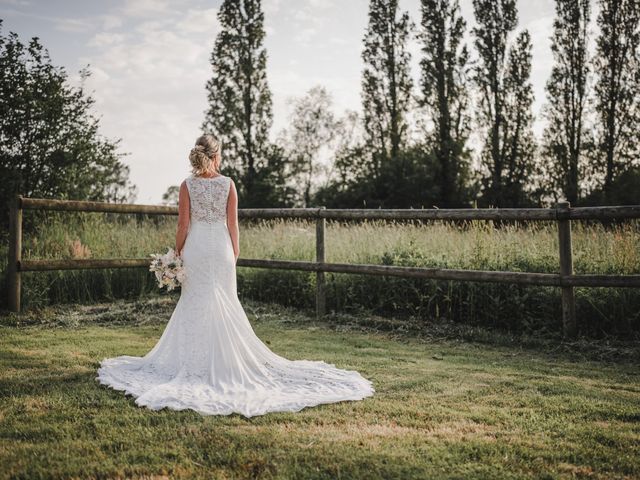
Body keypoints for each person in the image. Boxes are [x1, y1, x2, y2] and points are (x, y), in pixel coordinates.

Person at [96, 134, 374, 417]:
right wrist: (234, 253)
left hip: (197, 249)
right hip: (223, 250)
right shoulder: (228, 184)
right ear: (217, 155)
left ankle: (194, 364)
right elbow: (233, 225)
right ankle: (229, 363)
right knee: (226, 301)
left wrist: (177, 254)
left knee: (195, 303)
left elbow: (183, 224)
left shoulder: (186, 185)